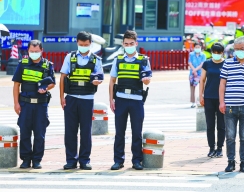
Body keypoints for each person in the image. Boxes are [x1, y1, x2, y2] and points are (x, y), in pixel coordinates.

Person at [60, 31, 104, 170]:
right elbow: (62, 78)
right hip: (71, 98)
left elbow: (100, 77)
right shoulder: (70, 57)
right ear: (77, 43)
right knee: (70, 131)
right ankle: (71, 160)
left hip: (87, 99)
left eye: (86, 44)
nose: (84, 46)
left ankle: (84, 160)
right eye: (81, 44)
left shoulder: (96, 60)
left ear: (91, 44)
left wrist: (98, 82)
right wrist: (61, 97)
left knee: (86, 131)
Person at [109, 30, 152, 171]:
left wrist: (146, 80)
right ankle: (118, 160)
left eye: (131, 43)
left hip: (136, 100)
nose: (129, 46)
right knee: (119, 133)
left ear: (136, 43)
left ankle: (137, 161)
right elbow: (112, 81)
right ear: (123, 44)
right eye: (126, 44)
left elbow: (147, 81)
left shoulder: (144, 60)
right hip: (120, 99)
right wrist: (111, 100)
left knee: (136, 133)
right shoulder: (118, 59)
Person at [12, 40, 55, 169]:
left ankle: (37, 160)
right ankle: (25, 159)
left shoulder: (48, 65)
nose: (34, 54)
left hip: (41, 105)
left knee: (39, 133)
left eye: (36, 52)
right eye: (32, 51)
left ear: (41, 50)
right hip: (25, 104)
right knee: (25, 132)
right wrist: (16, 104)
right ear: (28, 51)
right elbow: (16, 85)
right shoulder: (23, 64)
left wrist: (46, 88)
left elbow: (52, 83)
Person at [219, 37, 244, 173]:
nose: (240, 52)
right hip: (230, 106)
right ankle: (231, 162)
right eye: (237, 49)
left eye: (242, 49)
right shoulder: (227, 64)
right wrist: (222, 102)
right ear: (234, 50)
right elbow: (222, 84)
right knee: (230, 136)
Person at [199, 42, 226, 158]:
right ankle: (211, 148)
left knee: (221, 125)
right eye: (214, 53)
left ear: (222, 53)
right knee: (210, 125)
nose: (216, 55)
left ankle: (220, 148)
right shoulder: (207, 64)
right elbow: (202, 80)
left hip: (221, 99)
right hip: (209, 97)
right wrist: (201, 95)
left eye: (218, 53)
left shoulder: (226, 64)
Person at [188, 42, 206, 108]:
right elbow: (189, 62)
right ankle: (193, 102)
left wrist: (195, 70)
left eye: (198, 47)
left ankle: (202, 101)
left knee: (202, 88)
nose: (197, 48)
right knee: (192, 88)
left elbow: (202, 64)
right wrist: (193, 70)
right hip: (192, 73)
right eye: (196, 47)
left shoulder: (203, 55)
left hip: (200, 73)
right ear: (194, 47)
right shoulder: (191, 54)